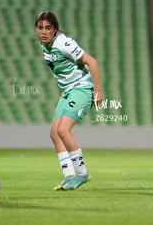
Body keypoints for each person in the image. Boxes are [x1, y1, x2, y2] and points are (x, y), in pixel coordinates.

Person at [34, 11, 103, 191]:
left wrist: (97, 91)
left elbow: (92, 62)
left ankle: (82, 174)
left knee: (63, 130)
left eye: (48, 28)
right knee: (54, 133)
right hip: (68, 91)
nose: (43, 31)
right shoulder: (44, 45)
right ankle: (69, 175)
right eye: (40, 27)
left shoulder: (64, 43)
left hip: (81, 88)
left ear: (55, 30)